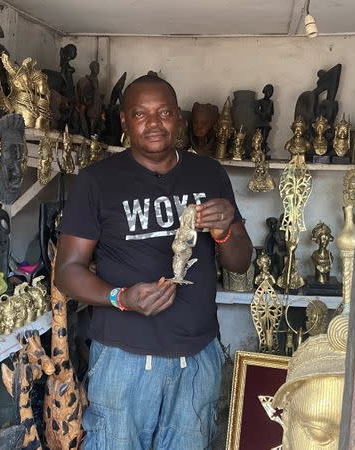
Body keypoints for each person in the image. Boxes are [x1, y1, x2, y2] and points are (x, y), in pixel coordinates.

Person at [55, 73, 253, 450]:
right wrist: (121, 297)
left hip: (196, 359)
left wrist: (227, 229)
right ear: (125, 122)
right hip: (121, 359)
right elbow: (67, 271)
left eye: (163, 112)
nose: (153, 123)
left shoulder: (209, 174)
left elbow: (240, 263)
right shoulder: (97, 181)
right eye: (140, 114)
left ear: (178, 117)